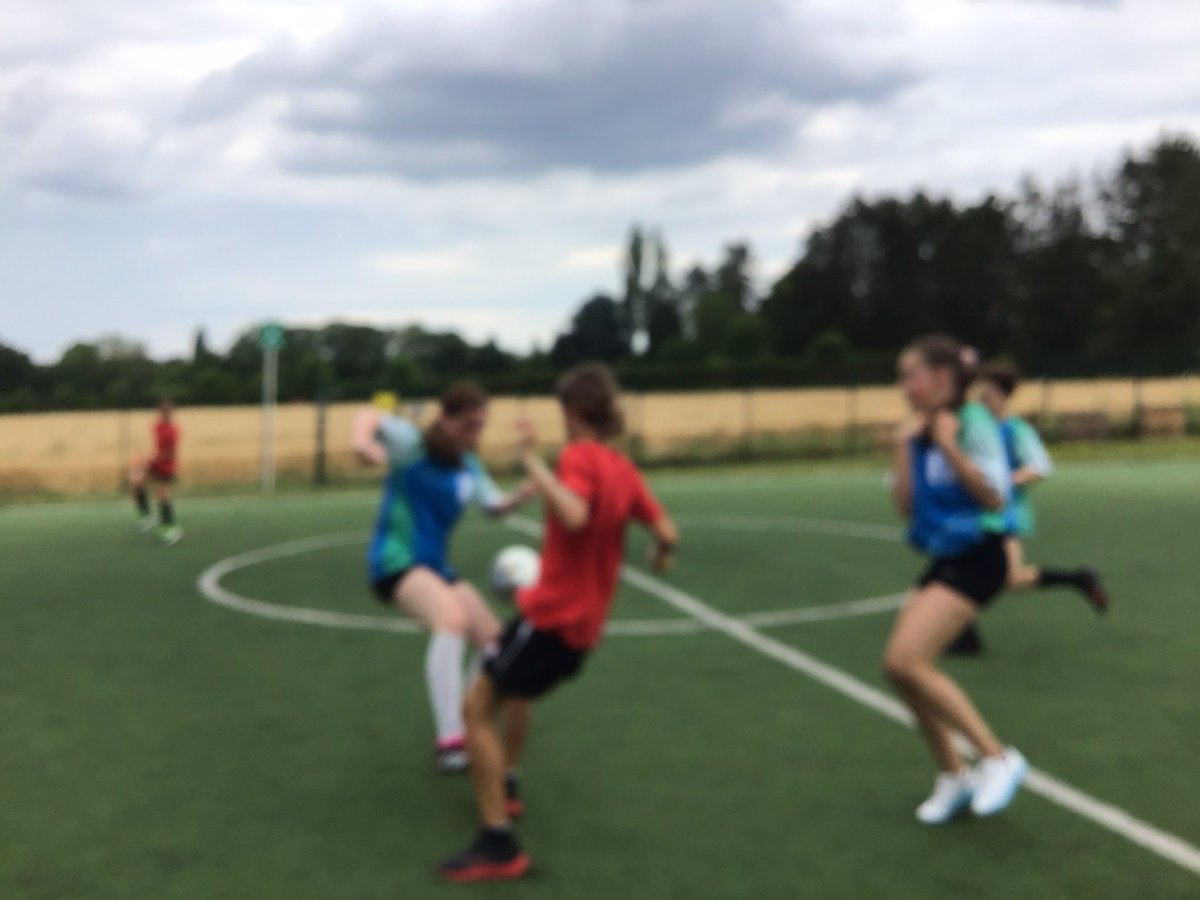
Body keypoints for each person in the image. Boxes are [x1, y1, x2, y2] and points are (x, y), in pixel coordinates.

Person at [438, 363, 679, 883]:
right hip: (582, 634)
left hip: (551, 620)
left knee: (475, 711)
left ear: (572, 411)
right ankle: (506, 791)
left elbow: (573, 514)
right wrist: (660, 555)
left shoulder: (576, 458)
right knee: (511, 691)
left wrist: (532, 462)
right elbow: (668, 530)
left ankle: (497, 842)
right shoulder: (623, 469)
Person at [353, 381, 534, 773]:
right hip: (395, 564)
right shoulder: (410, 445)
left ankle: (472, 719)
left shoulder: (468, 464)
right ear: (445, 419)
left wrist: (521, 495)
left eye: (480, 427)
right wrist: (363, 443)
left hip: (435, 568)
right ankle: (450, 740)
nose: (474, 436)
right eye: (467, 426)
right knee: (451, 619)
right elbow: (367, 415)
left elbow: (492, 506)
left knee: (498, 645)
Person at [885, 335, 1027, 827]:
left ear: (941, 378)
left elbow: (995, 499)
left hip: (980, 556)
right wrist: (902, 449)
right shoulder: (914, 431)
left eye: (911, 376)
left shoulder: (973, 424)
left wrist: (949, 445)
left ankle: (996, 758)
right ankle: (954, 774)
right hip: (944, 557)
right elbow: (905, 508)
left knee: (909, 660)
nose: (904, 387)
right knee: (898, 670)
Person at [948, 364, 1109, 655]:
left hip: (1005, 514)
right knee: (965, 566)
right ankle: (964, 634)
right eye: (980, 391)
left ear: (1003, 396)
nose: (983, 397)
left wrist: (1002, 483)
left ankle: (1077, 579)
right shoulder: (973, 427)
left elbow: (1040, 467)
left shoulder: (1015, 429)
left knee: (1004, 577)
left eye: (990, 392)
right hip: (978, 512)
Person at [130, 400, 182, 546]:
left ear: (171, 413)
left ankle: (171, 528)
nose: (164, 414)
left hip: (167, 465)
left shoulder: (173, 430)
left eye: (167, 412)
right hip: (156, 462)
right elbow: (157, 447)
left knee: (162, 494)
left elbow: (170, 454)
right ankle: (145, 516)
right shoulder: (157, 427)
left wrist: (152, 459)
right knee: (136, 481)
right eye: (162, 411)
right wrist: (147, 459)